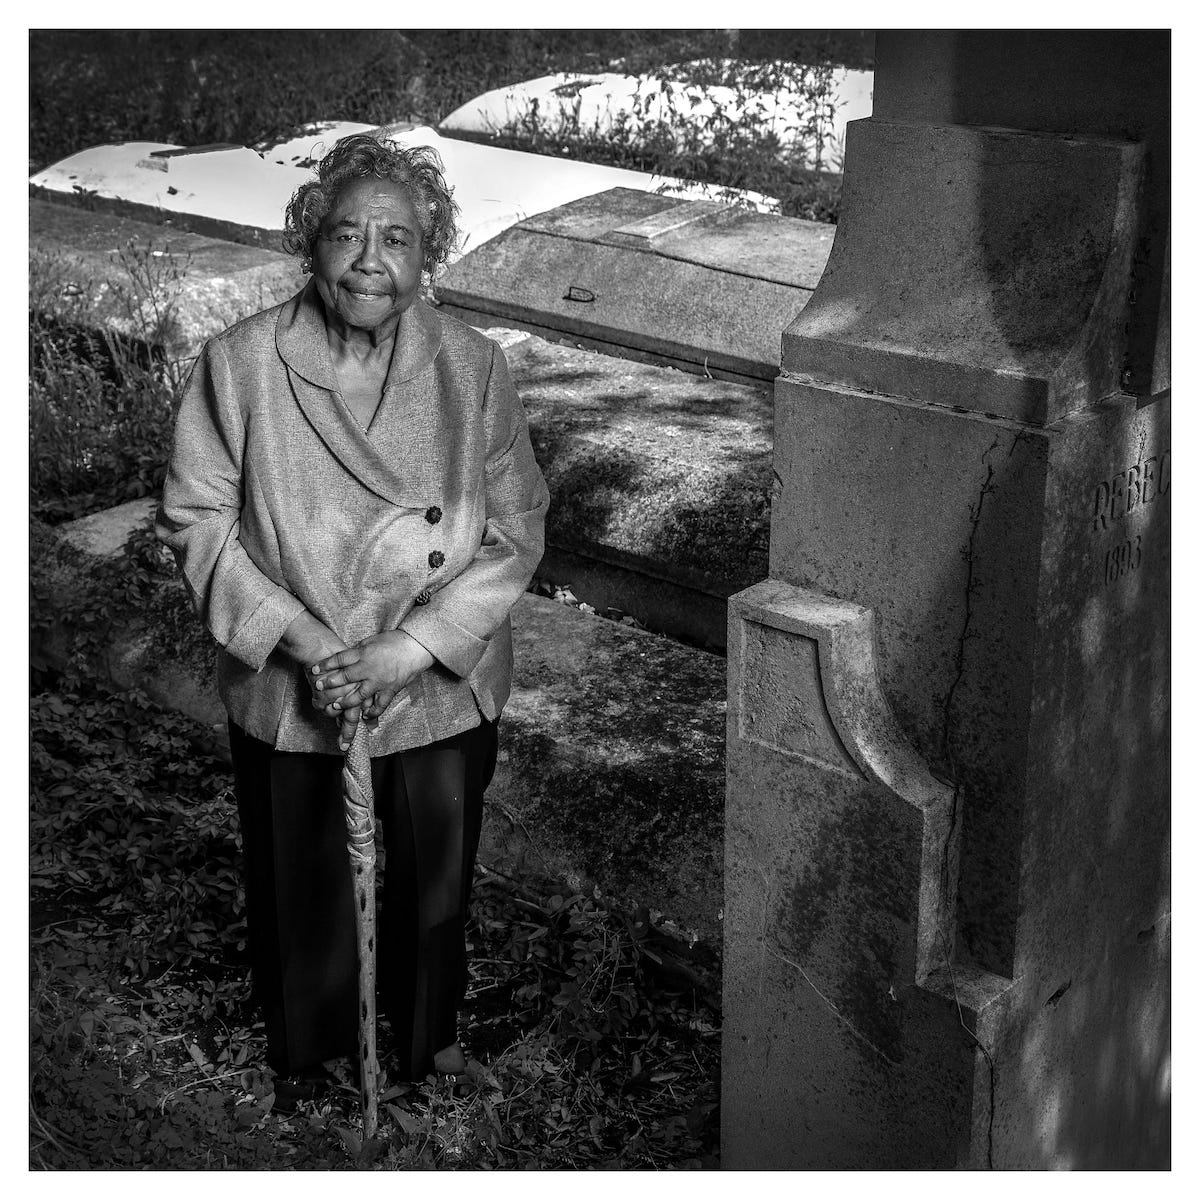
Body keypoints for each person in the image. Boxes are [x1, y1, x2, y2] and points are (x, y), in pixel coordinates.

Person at [157, 133, 548, 1098]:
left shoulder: (474, 368)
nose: (372, 259)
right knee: (303, 881)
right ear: (310, 244)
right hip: (305, 675)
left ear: (428, 257)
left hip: (431, 680)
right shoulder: (242, 365)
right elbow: (196, 519)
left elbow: (516, 527)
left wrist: (410, 648)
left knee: (432, 878)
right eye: (347, 234)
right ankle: (314, 1054)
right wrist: (314, 644)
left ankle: (428, 1038)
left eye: (400, 240)